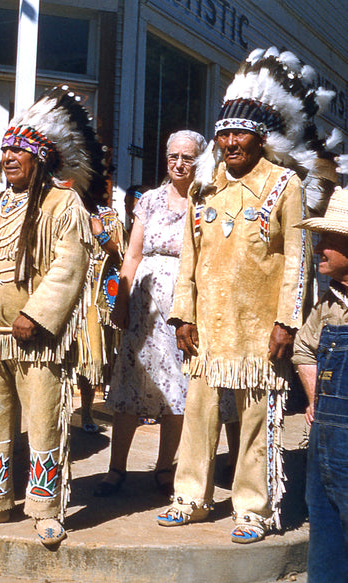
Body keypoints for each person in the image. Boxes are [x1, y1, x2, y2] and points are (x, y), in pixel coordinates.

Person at [155, 47, 338, 543]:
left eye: (241, 133)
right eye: (225, 134)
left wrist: (287, 321)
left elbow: (298, 259)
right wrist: (181, 315)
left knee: (258, 420)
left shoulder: (285, 185)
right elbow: (188, 260)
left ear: (260, 138)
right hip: (208, 327)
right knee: (198, 413)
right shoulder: (204, 189)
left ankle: (252, 508)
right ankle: (191, 497)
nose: (231, 142)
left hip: (260, 329)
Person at [0, 86, 106, 547]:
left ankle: (44, 507)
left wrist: (36, 314)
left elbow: (69, 265)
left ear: (41, 158)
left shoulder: (61, 203)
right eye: (7, 149)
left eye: (21, 149)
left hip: (36, 341)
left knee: (43, 420)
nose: (11, 156)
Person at [94, 130, 206, 497]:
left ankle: (163, 467)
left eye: (187, 158)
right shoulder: (150, 201)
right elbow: (132, 254)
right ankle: (116, 468)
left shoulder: (206, 203)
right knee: (131, 382)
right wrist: (121, 300)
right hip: (143, 304)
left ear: (199, 161)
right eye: (173, 156)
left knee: (177, 385)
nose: (178, 163)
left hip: (182, 305)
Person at [292, 187, 348, 583]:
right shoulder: (329, 301)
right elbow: (304, 350)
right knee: (325, 528)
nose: (319, 248)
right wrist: (316, 398)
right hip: (325, 437)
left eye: (329, 240)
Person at [76, 186, 126, 433]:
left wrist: (100, 234)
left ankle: (86, 411)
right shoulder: (65, 210)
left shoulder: (109, 217)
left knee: (92, 356)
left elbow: (120, 253)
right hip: (66, 292)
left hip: (94, 297)